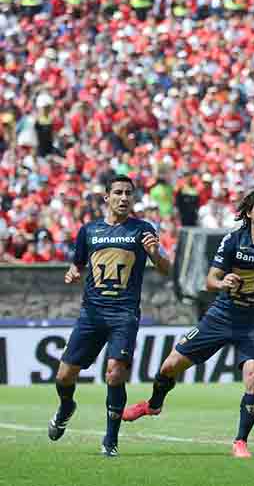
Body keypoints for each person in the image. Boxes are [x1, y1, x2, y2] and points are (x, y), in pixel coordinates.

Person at [122, 189, 254, 458]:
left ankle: (240, 441)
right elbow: (209, 280)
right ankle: (154, 404)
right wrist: (222, 282)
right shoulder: (234, 241)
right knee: (169, 367)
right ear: (249, 213)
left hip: (253, 324)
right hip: (220, 317)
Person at [47, 175, 172, 457]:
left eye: (129, 193)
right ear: (107, 198)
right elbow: (78, 265)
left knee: (115, 373)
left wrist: (156, 254)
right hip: (91, 314)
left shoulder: (143, 230)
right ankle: (67, 406)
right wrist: (73, 272)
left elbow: (166, 269)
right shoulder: (89, 231)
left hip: (124, 314)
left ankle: (110, 441)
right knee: (64, 376)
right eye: (118, 192)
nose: (124, 197)